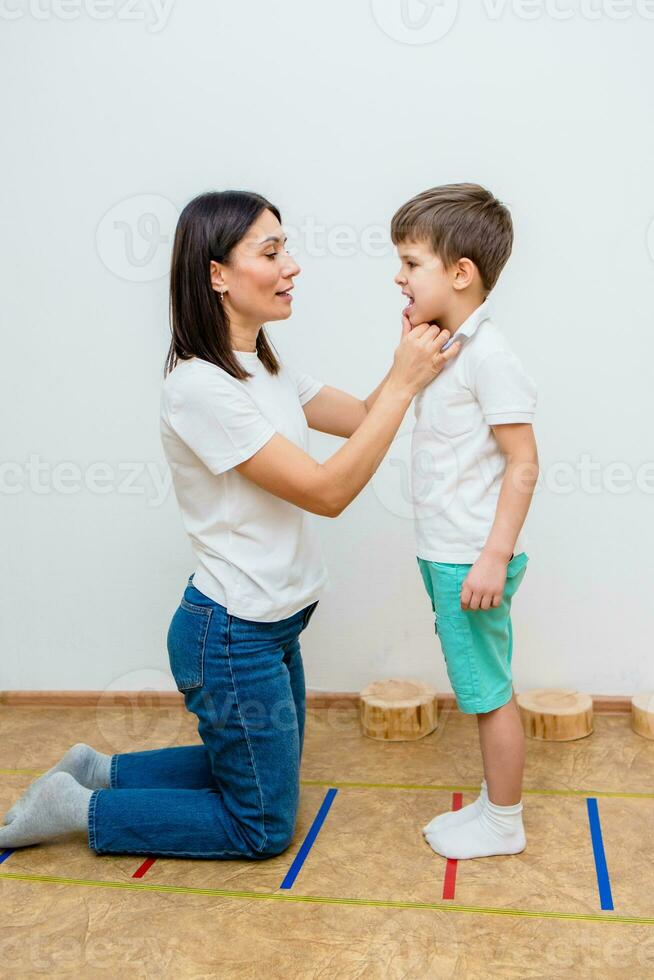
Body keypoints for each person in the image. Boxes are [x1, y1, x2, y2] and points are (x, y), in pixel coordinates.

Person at [0, 190, 460, 857]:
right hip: (230, 635)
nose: (292, 266)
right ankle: (82, 806)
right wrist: (406, 384)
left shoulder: (267, 365)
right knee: (262, 826)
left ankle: (99, 769)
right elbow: (327, 492)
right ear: (217, 274)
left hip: (274, 625)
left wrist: (404, 369)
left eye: (286, 248)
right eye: (271, 252)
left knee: (260, 767)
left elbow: (364, 418)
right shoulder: (199, 388)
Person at [391, 183, 539, 860]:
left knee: (486, 693)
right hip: (446, 552)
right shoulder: (449, 346)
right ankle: (494, 803)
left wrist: (492, 556)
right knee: (480, 684)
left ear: (460, 274)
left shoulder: (489, 355)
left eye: (411, 261)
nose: (399, 275)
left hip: (469, 559)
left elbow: (524, 464)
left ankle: (503, 823)